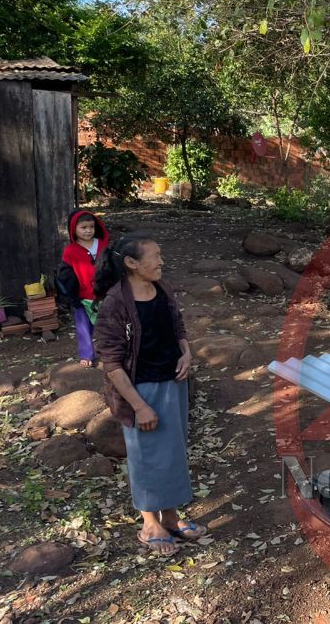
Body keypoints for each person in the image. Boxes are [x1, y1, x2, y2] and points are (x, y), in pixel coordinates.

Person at [93, 235, 205, 557]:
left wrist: (186, 353)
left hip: (173, 383)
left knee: (172, 451)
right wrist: (139, 406)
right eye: (155, 256)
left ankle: (169, 518)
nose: (161, 261)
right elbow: (112, 363)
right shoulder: (116, 303)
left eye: (160, 254)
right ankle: (149, 523)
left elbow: (177, 325)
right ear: (131, 263)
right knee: (146, 455)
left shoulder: (163, 288)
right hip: (139, 391)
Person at [57, 210, 109, 367]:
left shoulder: (103, 245)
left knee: (108, 325)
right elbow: (66, 276)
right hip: (82, 297)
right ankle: (87, 355)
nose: (88, 231)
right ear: (74, 230)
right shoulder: (70, 251)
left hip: (105, 295)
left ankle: (110, 352)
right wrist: (72, 298)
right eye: (83, 227)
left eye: (91, 227)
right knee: (83, 327)